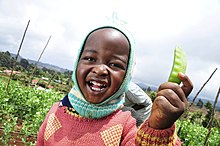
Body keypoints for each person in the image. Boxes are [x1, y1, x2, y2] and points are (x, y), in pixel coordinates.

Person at [36, 21, 193, 145]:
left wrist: (159, 128)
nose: (100, 70)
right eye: (90, 59)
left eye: (115, 65)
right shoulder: (55, 112)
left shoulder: (125, 126)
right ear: (77, 63)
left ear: (126, 77)